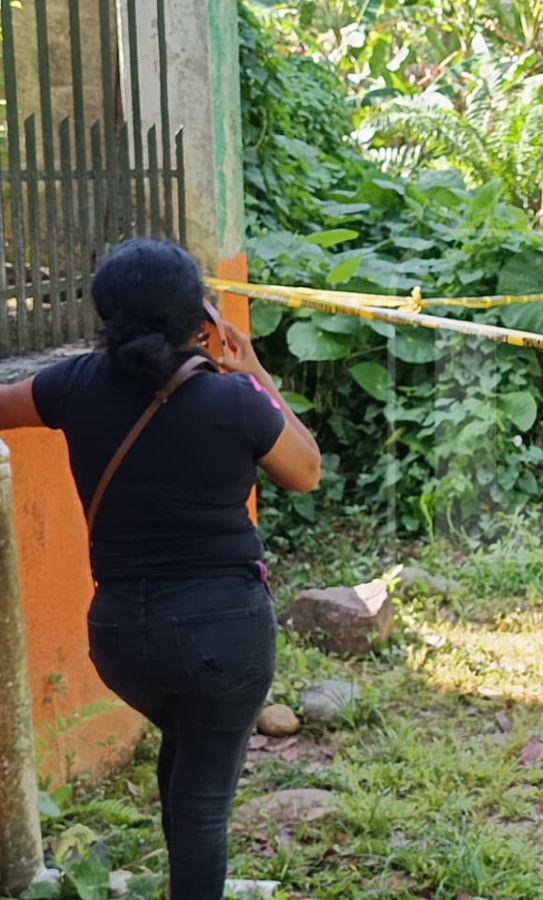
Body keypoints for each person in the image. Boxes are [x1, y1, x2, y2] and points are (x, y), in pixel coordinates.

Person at [0, 238, 321, 899]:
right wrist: (248, 361)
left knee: (187, 760)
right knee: (203, 801)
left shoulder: (72, 386)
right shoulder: (235, 400)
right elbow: (306, 470)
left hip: (121, 640)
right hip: (221, 638)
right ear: (198, 315)